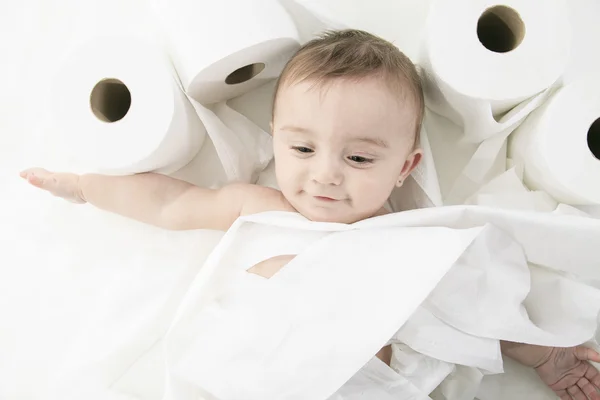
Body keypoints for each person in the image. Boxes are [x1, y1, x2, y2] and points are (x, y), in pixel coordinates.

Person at [20, 29, 600, 399]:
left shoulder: (410, 245)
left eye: (358, 157)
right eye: (302, 149)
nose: (325, 173)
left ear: (405, 165)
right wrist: (82, 185)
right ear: (275, 140)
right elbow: (171, 201)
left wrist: (548, 354)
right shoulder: (261, 206)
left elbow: (475, 314)